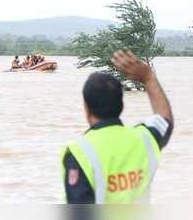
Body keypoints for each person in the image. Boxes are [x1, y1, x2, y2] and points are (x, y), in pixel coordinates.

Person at [62, 50, 174, 204]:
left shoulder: (80, 151)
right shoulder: (145, 139)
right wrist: (148, 77)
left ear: (86, 108)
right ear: (121, 105)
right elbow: (165, 120)